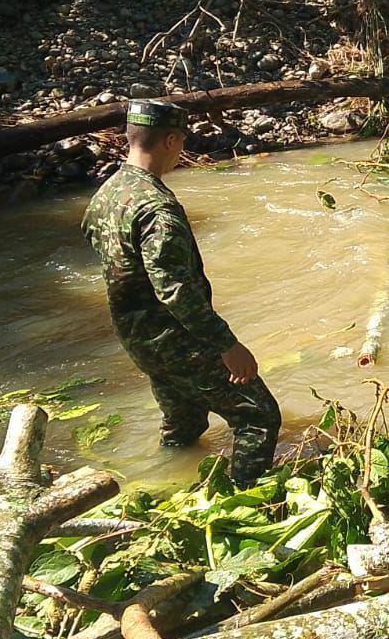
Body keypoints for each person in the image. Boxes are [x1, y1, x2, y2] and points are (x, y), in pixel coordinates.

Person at [81, 100, 280, 485]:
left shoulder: (106, 194)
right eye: (182, 141)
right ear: (171, 140)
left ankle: (169, 484)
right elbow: (174, 289)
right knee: (258, 416)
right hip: (176, 339)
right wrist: (228, 345)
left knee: (183, 422)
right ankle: (246, 497)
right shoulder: (157, 209)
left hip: (137, 338)